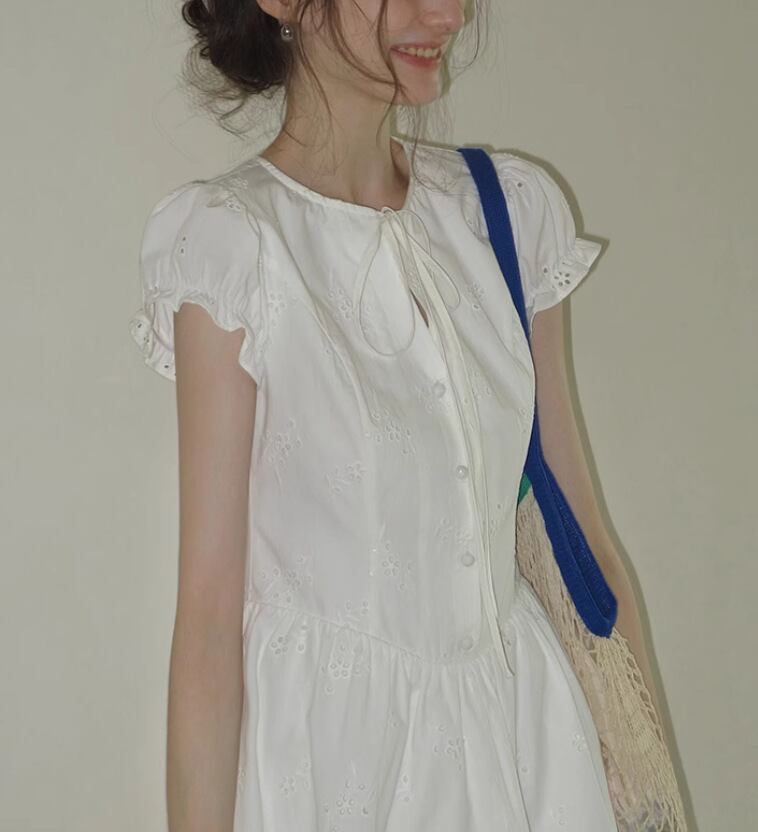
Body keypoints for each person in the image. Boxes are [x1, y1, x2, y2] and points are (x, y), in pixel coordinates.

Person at [129, 0, 662, 829]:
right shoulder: (235, 245)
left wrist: (651, 791)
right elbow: (208, 623)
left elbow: (588, 550)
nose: (447, 12)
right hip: (334, 764)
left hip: (526, 745)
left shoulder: (506, 213)